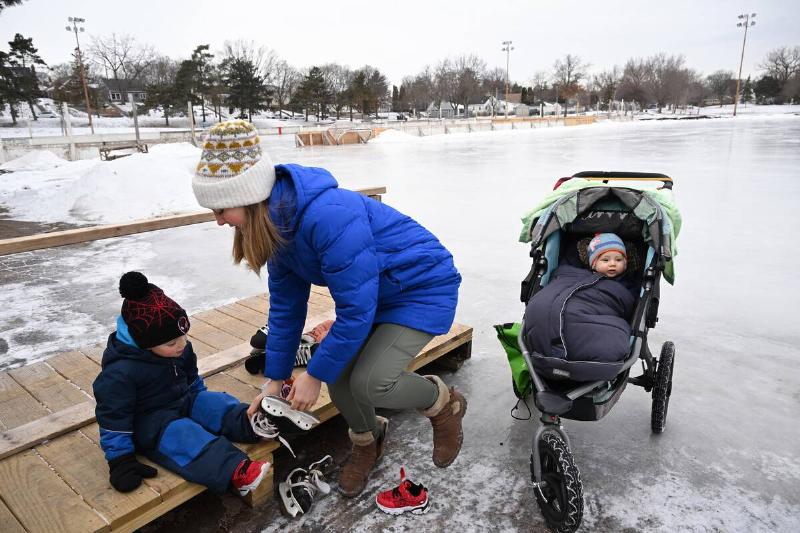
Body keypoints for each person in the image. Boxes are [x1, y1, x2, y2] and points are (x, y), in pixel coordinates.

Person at [191, 120, 466, 497]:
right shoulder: (277, 225)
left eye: (222, 209)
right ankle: (369, 441)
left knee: (371, 382)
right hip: (376, 296)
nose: (219, 220)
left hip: (420, 290)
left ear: (250, 196)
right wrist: (275, 379)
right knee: (339, 378)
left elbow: (355, 309)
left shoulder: (329, 216)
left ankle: (442, 404)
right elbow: (287, 310)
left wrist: (312, 374)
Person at [93, 271, 303, 496]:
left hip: (182, 400)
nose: (182, 344)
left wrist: (203, 407)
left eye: (184, 335)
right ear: (145, 343)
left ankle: (254, 425)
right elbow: (113, 419)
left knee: (213, 402)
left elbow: (192, 380)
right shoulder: (120, 373)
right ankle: (235, 469)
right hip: (151, 422)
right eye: (173, 342)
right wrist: (120, 460)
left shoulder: (178, 349)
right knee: (185, 434)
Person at [523, 233, 636, 364]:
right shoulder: (573, 272)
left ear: (626, 263)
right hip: (571, 298)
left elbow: (628, 304)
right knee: (544, 309)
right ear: (593, 264)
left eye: (618, 260)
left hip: (601, 309)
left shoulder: (627, 284)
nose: (612, 264)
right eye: (605, 260)